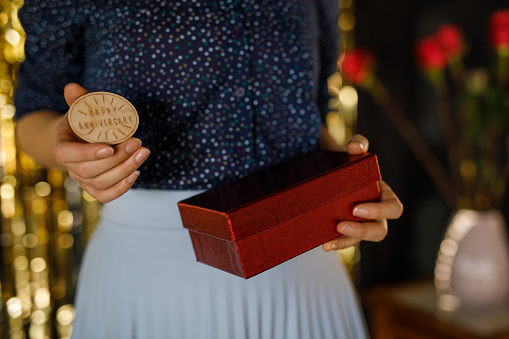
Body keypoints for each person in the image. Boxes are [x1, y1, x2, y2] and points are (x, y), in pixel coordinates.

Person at [14, 1, 403, 338]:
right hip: (151, 274)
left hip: (301, 260)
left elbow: (311, 110)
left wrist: (349, 187)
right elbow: (34, 115)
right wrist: (74, 150)